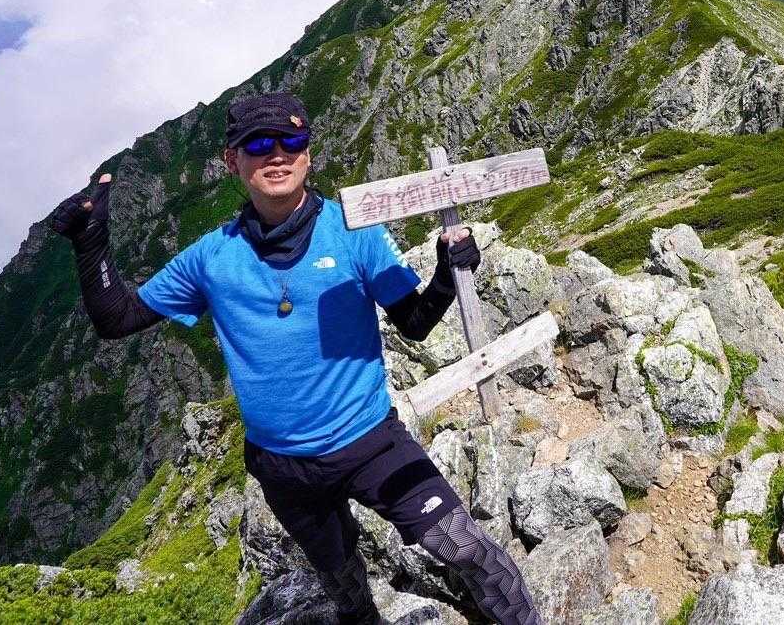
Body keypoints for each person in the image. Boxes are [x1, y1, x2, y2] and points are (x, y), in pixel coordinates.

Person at [50, 91, 542, 625]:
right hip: (283, 468)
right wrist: (90, 244)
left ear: (308, 153)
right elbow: (118, 318)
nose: (277, 154)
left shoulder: (355, 232)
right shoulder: (211, 258)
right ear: (232, 160)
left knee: (466, 548)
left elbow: (415, 323)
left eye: (292, 140)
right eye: (258, 144)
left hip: (371, 442)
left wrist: (447, 274)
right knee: (344, 587)